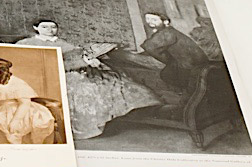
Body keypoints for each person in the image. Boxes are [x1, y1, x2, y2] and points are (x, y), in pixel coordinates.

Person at [15, 19, 161, 140]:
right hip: (44, 73)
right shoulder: (25, 43)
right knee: (81, 86)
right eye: (45, 27)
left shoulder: (63, 43)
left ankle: (106, 119)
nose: (50, 30)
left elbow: (77, 55)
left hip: (69, 70)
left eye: (53, 27)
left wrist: (88, 60)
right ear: (36, 28)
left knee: (108, 81)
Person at [141, 12, 211, 91]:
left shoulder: (168, 32)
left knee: (166, 77)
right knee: (165, 75)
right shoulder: (167, 31)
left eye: (154, 20)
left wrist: (166, 60)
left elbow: (150, 47)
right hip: (188, 63)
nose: (150, 22)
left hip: (190, 65)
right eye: (148, 19)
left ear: (166, 22)